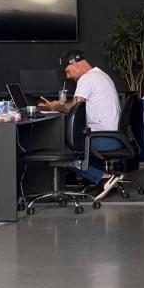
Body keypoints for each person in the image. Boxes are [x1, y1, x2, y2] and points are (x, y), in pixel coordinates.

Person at [39, 50, 124, 199]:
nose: (68, 76)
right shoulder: (101, 75)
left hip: (104, 139)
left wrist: (56, 107)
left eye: (67, 71)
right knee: (78, 142)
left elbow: (75, 108)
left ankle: (103, 178)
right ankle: (104, 179)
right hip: (115, 137)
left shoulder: (86, 79)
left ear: (75, 63)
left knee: (62, 151)